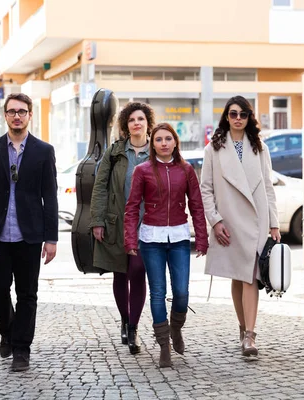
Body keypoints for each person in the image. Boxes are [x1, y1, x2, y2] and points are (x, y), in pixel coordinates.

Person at [0, 93, 58, 372]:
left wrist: (51, 238)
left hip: (30, 236)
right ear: (5, 116)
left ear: (30, 115)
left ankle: (21, 350)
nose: (17, 116)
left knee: (27, 294)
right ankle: (7, 330)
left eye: (22, 111)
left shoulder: (43, 151)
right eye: (12, 111)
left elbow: (50, 197)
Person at [200, 95, 280, 357]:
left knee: (252, 276)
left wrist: (275, 224)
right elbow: (206, 190)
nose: (237, 118)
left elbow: (267, 187)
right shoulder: (213, 149)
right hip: (230, 221)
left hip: (256, 221)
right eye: (233, 114)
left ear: (249, 118)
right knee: (239, 275)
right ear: (226, 116)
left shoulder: (260, 148)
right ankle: (243, 326)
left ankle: (250, 335)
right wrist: (216, 220)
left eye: (243, 114)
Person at [124, 123, 208, 368]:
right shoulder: (142, 170)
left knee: (181, 292)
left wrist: (201, 237)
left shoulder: (186, 169)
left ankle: (176, 329)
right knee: (157, 292)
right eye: (158, 139)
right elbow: (131, 208)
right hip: (151, 240)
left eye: (168, 139)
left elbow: (196, 206)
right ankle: (164, 346)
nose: (163, 143)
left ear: (175, 142)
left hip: (180, 238)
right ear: (153, 143)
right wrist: (130, 239)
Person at [90, 102, 154, 355]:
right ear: (126, 125)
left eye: (141, 118)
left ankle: (135, 327)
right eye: (131, 120)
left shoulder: (157, 150)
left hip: (146, 223)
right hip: (116, 222)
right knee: (120, 274)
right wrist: (97, 220)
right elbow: (100, 186)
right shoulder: (115, 152)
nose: (136, 123)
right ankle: (125, 320)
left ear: (148, 122)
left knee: (138, 271)